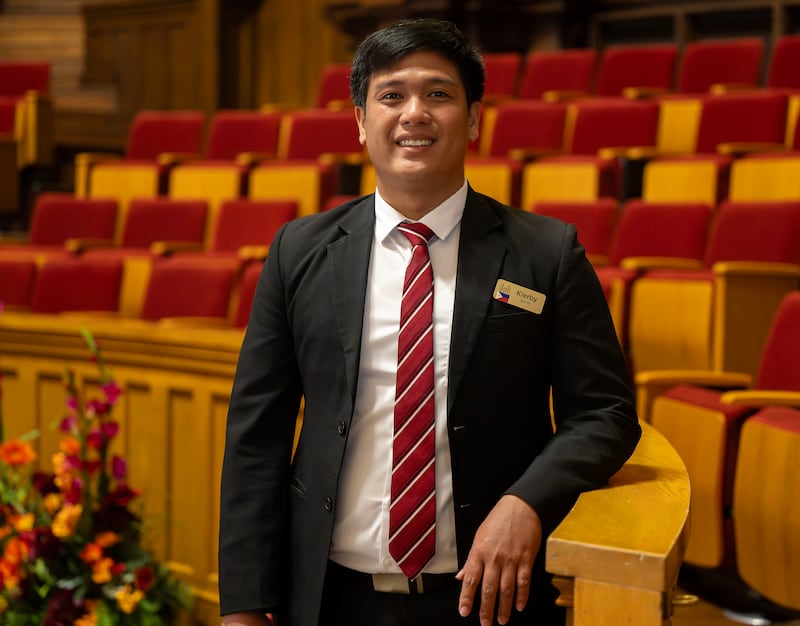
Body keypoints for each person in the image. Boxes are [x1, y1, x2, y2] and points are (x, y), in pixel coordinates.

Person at [218, 17, 641, 626]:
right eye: (391, 95)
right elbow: (255, 435)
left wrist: (527, 500)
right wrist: (244, 603)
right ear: (362, 121)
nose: (414, 113)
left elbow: (605, 413)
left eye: (438, 94)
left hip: (490, 601)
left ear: (472, 119)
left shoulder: (546, 253)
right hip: (329, 599)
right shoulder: (299, 250)